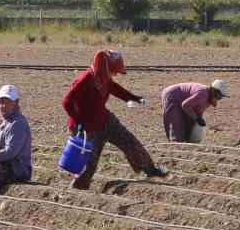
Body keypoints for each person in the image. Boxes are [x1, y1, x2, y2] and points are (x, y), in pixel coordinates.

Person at [61, 49, 167, 190]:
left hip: (105, 120)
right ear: (106, 67)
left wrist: (134, 98)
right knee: (88, 165)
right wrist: (79, 122)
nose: (116, 74)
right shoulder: (85, 79)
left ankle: (151, 170)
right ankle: (77, 190)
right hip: (87, 127)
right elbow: (66, 102)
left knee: (130, 142)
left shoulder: (104, 78)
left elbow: (114, 88)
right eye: (114, 70)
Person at [161, 79, 231, 143]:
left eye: (221, 97)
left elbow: (197, 111)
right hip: (172, 95)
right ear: (213, 91)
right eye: (219, 96)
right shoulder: (202, 94)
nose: (219, 98)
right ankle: (176, 143)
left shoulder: (209, 99)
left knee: (190, 120)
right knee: (176, 121)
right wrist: (197, 118)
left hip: (183, 99)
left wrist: (199, 118)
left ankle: (185, 141)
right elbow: (185, 105)